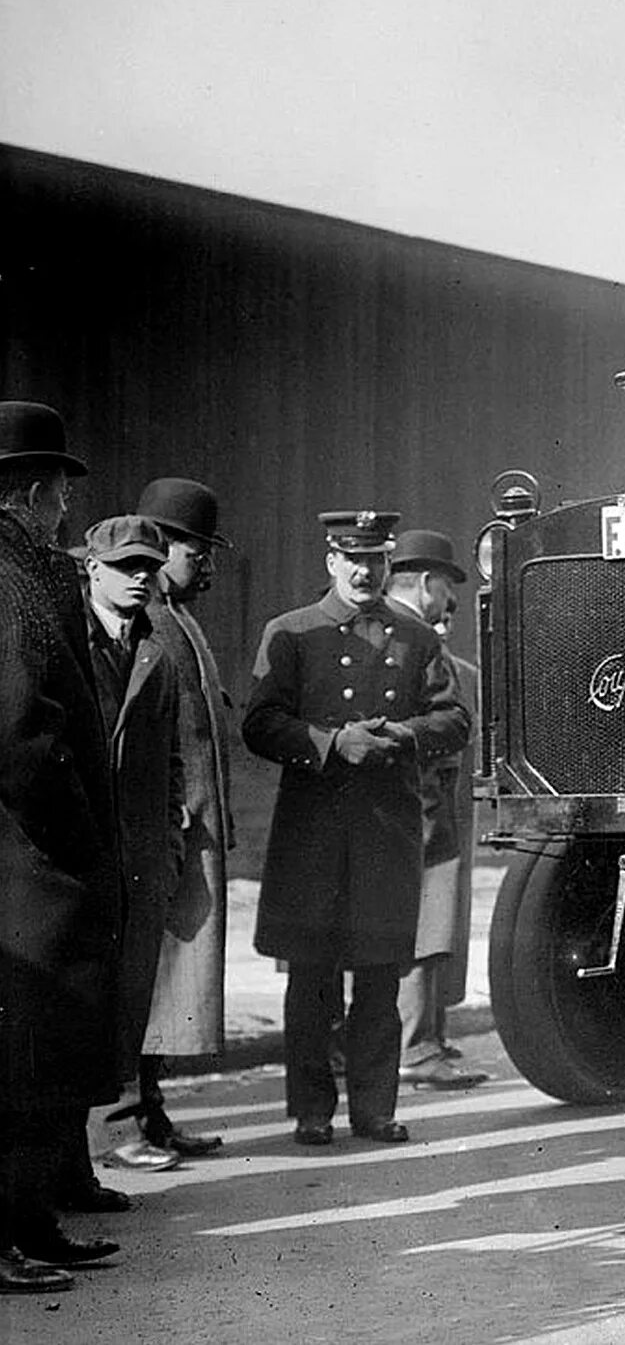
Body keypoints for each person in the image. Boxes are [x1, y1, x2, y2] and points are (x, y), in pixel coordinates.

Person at [242, 510, 470, 1147]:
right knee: (312, 978)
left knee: (378, 977)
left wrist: (400, 734)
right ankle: (312, 1111)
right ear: (331, 563)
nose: (366, 572)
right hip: (311, 837)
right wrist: (330, 742)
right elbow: (259, 724)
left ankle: (374, 1110)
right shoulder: (289, 634)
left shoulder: (417, 637)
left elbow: (454, 720)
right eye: (353, 559)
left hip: (384, 835)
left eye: (377, 560)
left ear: (390, 565)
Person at [0, 402, 125, 1292]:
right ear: (36, 493)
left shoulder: (22, 569)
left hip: (33, 864)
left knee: (38, 1058)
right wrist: (78, 832)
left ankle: (32, 1221)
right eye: (59, 497)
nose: (65, 515)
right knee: (17, 1062)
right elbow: (18, 734)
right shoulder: (8, 579)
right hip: (26, 864)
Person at [75, 517, 187, 1176]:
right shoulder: (69, 643)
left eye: (149, 565)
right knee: (77, 1005)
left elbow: (171, 762)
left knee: (127, 1001)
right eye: (126, 566)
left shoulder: (156, 653)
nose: (141, 577)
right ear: (93, 569)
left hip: (140, 861)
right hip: (81, 857)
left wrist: (167, 845)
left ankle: (106, 1140)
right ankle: (82, 1150)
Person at [130, 477, 235, 1155]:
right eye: (198, 554)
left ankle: (153, 1112)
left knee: (171, 985)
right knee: (145, 978)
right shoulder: (146, 618)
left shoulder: (178, 615)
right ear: (163, 545)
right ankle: (126, 1121)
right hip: (165, 832)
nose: (209, 568)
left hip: (192, 829)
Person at [384, 529, 489, 1091]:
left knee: (430, 919)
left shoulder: (408, 636)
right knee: (421, 921)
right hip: (418, 801)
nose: (451, 602)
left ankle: (425, 1039)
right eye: (447, 588)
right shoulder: (409, 639)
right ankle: (417, 1047)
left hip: (425, 800)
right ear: (426, 583)